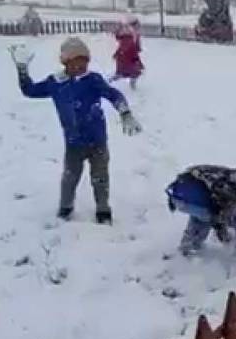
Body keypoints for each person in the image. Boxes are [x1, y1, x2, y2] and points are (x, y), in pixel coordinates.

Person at [12, 37, 144, 224]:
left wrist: (125, 111)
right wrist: (23, 72)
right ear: (65, 62)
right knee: (70, 178)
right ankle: (66, 207)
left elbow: (112, 93)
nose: (81, 65)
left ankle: (103, 209)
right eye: (76, 61)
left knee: (100, 178)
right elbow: (30, 91)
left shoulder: (93, 80)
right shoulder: (56, 82)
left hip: (97, 141)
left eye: (84, 61)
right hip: (73, 143)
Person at [110, 17, 144, 90]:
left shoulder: (130, 35)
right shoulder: (129, 35)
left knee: (131, 71)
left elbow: (132, 45)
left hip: (129, 56)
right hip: (129, 56)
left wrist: (117, 53)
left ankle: (127, 80)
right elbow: (127, 46)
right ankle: (120, 78)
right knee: (131, 71)